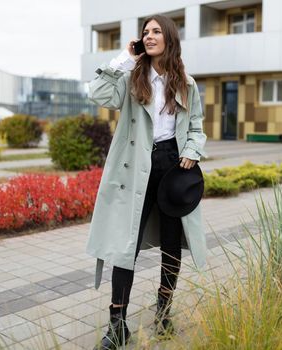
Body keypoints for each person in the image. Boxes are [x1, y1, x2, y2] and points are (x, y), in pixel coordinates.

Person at [86, 15, 207, 350]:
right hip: (134, 167)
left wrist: (194, 150)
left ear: (169, 38)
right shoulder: (130, 77)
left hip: (173, 165)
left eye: (156, 31)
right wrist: (124, 58)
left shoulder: (187, 83)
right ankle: (117, 324)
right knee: (126, 246)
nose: (149, 36)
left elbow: (196, 124)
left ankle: (164, 312)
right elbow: (96, 92)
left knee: (172, 244)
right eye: (145, 32)